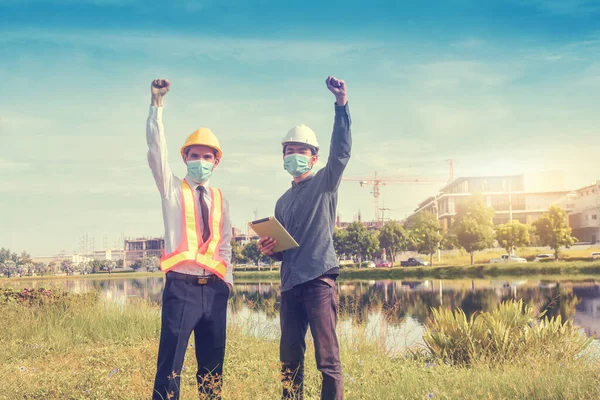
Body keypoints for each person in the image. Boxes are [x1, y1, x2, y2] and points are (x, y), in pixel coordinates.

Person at [258, 76, 351, 400]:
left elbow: (340, 154)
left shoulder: (325, 183)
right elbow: (284, 251)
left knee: (327, 359)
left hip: (319, 283)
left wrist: (341, 105)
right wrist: (270, 249)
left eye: (301, 151)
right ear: (283, 158)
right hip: (290, 286)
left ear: (313, 157)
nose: (294, 156)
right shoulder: (282, 201)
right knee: (289, 358)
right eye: (289, 151)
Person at [146, 78, 233, 400]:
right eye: (194, 155)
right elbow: (156, 152)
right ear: (185, 158)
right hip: (181, 287)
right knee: (171, 360)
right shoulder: (172, 189)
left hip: (214, 288)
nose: (201, 161)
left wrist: (228, 282)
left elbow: (224, 245)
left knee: (212, 361)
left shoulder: (221, 197)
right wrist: (156, 105)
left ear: (216, 161)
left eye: (207, 157)